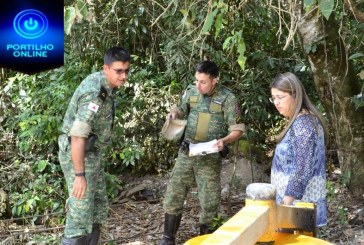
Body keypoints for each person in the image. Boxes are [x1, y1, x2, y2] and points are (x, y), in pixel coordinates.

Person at [159, 61, 245, 245]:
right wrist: (174, 113)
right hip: (187, 152)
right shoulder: (191, 91)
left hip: (209, 156)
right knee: (174, 193)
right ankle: (168, 238)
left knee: (210, 201)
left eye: (203, 82)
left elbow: (237, 130)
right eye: (196, 80)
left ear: (215, 80)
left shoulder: (228, 98)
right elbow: (181, 109)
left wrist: (224, 141)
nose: (198, 85)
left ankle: (206, 239)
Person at [58, 47, 131, 245]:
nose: (123, 76)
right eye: (118, 71)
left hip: (92, 153)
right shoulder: (94, 93)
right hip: (78, 154)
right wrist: (79, 176)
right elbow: (77, 136)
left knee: (98, 207)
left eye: (126, 71)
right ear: (105, 68)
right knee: (80, 213)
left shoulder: (106, 85)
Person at [270, 72, 327, 229]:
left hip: (298, 207)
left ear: (295, 94)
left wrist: (285, 204)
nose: (276, 102)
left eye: (280, 97)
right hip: (296, 204)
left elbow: (302, 169)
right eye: (273, 98)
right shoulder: (302, 120)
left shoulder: (303, 125)